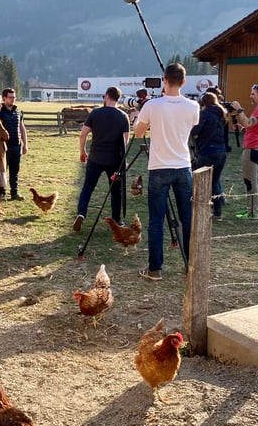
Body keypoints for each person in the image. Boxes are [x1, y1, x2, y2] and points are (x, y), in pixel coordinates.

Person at [134, 62, 200, 280]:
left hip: (159, 168)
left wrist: (139, 117)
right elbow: (188, 126)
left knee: (156, 220)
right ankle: (191, 264)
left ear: (164, 80)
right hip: (182, 167)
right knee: (187, 218)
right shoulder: (193, 106)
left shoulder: (152, 105)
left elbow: (138, 133)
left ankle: (155, 269)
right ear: (184, 81)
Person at [73, 86, 130, 231]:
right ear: (118, 98)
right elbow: (125, 141)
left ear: (106, 96)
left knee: (88, 187)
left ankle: (81, 213)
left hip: (95, 158)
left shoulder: (95, 113)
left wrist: (82, 151)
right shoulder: (123, 116)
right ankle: (116, 219)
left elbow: (83, 134)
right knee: (115, 190)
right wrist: (123, 161)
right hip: (114, 160)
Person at [231, 84, 258, 219]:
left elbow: (249, 123)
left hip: (252, 148)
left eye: (253, 94)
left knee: (250, 181)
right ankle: (251, 209)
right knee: (249, 180)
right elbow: (253, 127)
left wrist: (239, 110)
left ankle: (252, 212)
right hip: (254, 146)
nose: (250, 96)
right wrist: (242, 128)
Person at [191, 91, 229, 220]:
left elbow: (195, 131)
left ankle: (200, 207)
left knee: (200, 180)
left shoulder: (205, 114)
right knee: (214, 181)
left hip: (208, 151)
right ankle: (218, 211)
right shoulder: (221, 113)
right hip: (221, 151)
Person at [0, 88, 28, 201]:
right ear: (4, 98)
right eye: (10, 97)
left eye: (14, 97)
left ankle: (14, 192)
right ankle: (2, 193)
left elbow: (22, 128)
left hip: (16, 146)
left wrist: (25, 144)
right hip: (4, 146)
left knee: (15, 171)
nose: (13, 99)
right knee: (2, 170)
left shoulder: (18, 112)